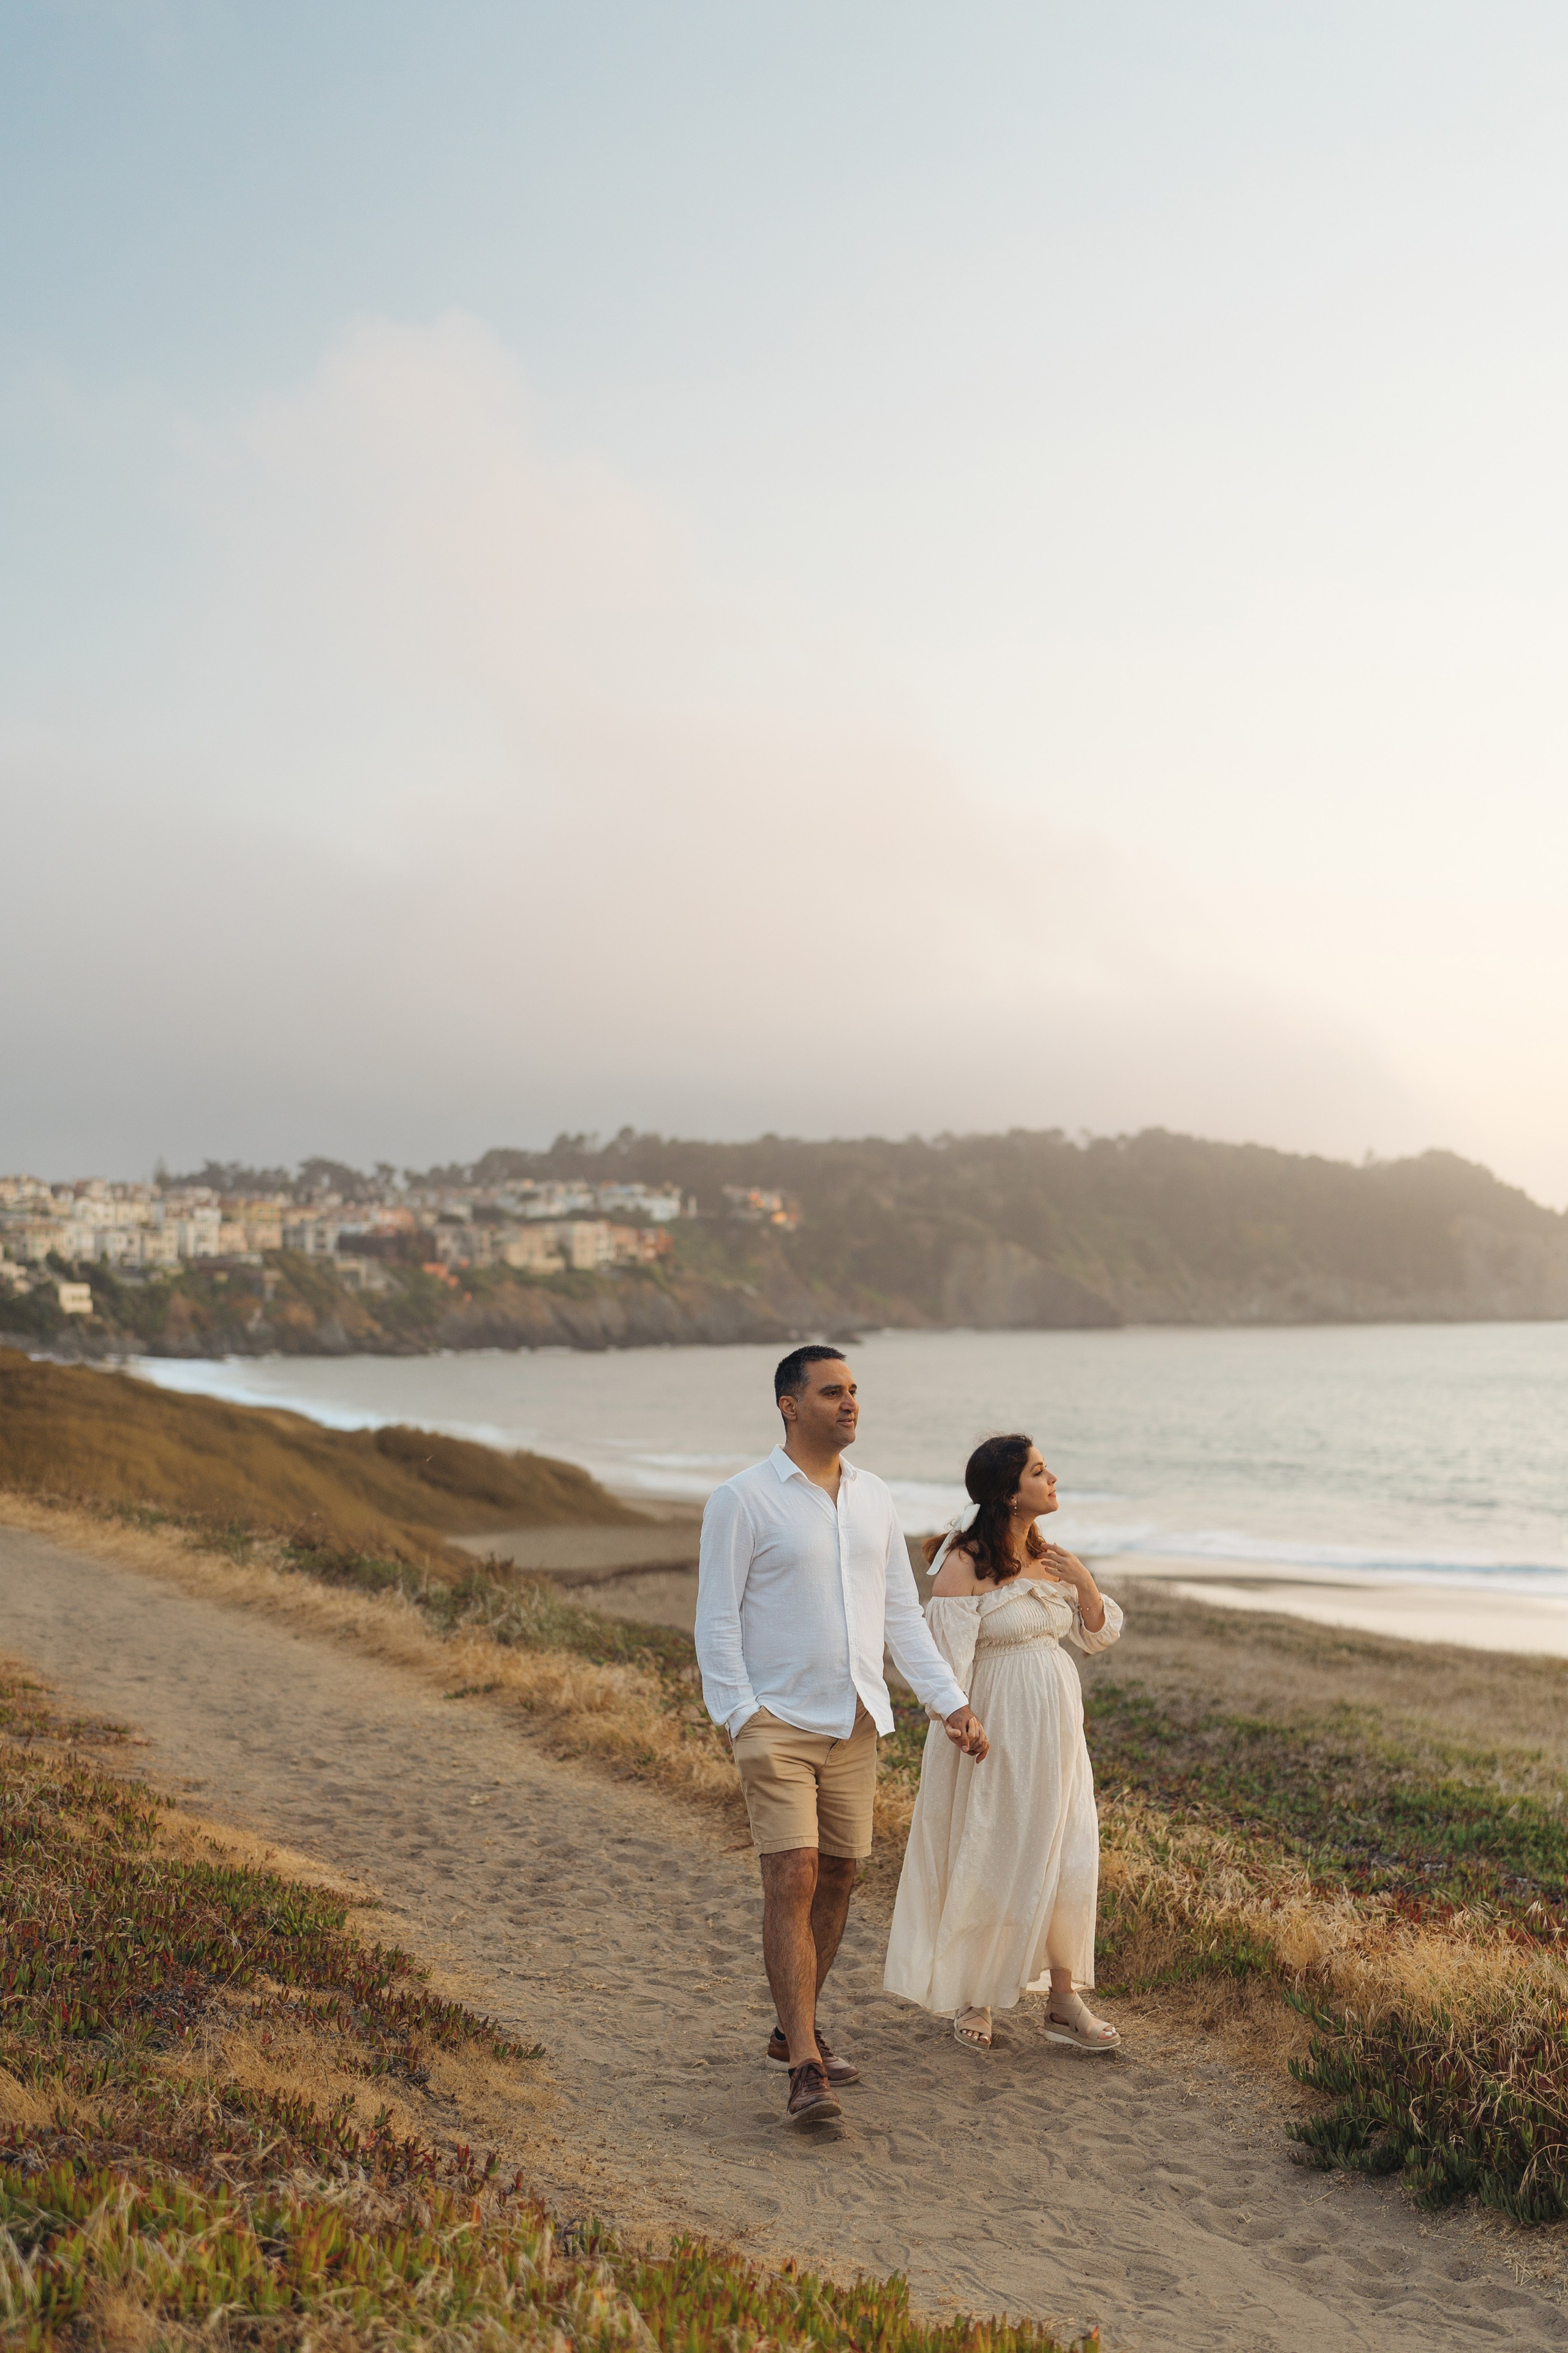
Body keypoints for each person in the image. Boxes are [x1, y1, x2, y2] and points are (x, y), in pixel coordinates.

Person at [695, 1345, 990, 2125]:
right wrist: (741, 1716)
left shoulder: (873, 1498)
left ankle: (793, 2024)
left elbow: (900, 1614)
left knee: (838, 1878)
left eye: (854, 1390)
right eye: (832, 1392)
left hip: (855, 1723)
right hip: (778, 1725)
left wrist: (948, 1703)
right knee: (790, 1874)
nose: (849, 1403)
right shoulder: (742, 1500)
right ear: (790, 1405)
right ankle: (804, 2065)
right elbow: (717, 1620)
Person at [883, 1432, 1123, 2053]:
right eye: (1039, 1472)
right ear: (1009, 1494)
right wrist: (958, 1722)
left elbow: (1096, 1636)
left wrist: (1088, 1585)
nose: (1052, 1480)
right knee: (991, 1847)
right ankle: (974, 1993)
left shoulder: (1052, 1558)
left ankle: (1064, 2000)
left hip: (1058, 1731)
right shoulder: (965, 1564)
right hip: (995, 1727)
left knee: (1066, 1852)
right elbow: (942, 1666)